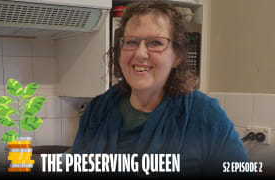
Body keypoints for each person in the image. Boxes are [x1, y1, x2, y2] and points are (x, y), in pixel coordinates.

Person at [72, 0, 249, 177]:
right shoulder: (98, 111)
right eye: (131, 42)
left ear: (177, 56)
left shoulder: (204, 115)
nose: (140, 53)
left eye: (156, 43)